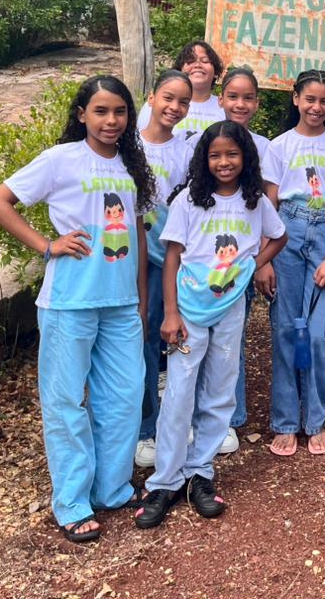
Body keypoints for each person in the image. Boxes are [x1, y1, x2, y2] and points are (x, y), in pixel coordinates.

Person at [0, 76, 155, 542]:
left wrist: (141, 302)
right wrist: (47, 245)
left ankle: (112, 488)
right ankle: (73, 502)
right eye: (100, 111)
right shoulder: (60, 159)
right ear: (81, 115)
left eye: (119, 111)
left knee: (123, 399)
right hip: (70, 302)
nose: (111, 120)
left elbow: (138, 238)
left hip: (121, 304)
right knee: (66, 403)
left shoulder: (132, 164)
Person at [134, 122, 288, 528]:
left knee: (220, 389)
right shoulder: (189, 200)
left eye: (232, 154)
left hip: (231, 308)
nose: (224, 162)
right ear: (204, 159)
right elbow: (172, 256)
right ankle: (165, 480)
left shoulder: (255, 201)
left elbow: (279, 236)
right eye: (215, 155)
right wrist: (170, 312)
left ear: (246, 158)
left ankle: (199, 472)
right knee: (179, 391)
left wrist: (253, 264)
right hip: (188, 309)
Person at [262, 70, 325, 456]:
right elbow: (269, 205)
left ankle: (316, 418)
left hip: (324, 235)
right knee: (286, 329)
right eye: (310, 99)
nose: (317, 107)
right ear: (296, 98)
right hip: (286, 232)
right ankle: (285, 421)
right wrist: (264, 260)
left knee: (318, 334)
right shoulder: (279, 146)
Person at [134, 70, 195, 471]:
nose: (174, 107)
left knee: (175, 340)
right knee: (140, 342)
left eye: (183, 102)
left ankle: (173, 423)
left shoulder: (186, 153)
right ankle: (144, 430)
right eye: (168, 98)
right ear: (152, 97)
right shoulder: (129, 147)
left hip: (173, 258)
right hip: (132, 258)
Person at [217, 66, 269, 450]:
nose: (240, 104)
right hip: (205, 263)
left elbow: (268, 207)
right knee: (199, 341)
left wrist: (262, 261)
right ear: (220, 99)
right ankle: (198, 415)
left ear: (257, 103)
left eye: (248, 97)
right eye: (233, 96)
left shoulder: (265, 147)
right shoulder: (205, 140)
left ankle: (229, 419)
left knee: (233, 340)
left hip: (243, 262)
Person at [137, 41, 226, 136]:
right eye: (190, 61)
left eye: (205, 61)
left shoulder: (225, 107)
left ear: (216, 72)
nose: (197, 65)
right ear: (180, 70)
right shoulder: (156, 104)